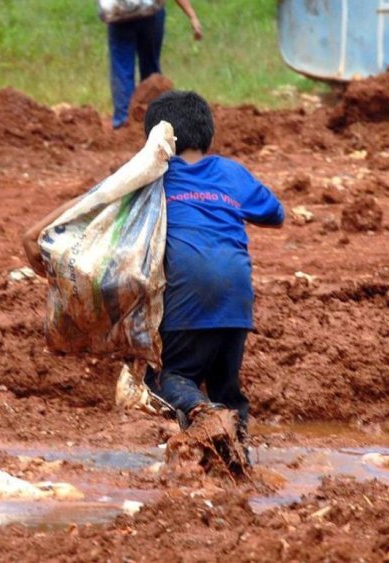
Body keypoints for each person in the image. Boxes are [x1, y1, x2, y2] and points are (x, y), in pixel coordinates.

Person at [141, 91, 285, 448]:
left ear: (157, 140)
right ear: (209, 135)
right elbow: (274, 213)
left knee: (168, 378)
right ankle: (237, 458)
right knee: (227, 388)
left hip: (188, 298)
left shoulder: (152, 177)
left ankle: (203, 414)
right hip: (237, 301)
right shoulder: (230, 173)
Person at [104, 0, 202, 129]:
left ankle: (124, 122)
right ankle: (154, 121)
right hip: (151, 13)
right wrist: (192, 16)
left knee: (122, 70)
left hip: (120, 13)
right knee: (151, 69)